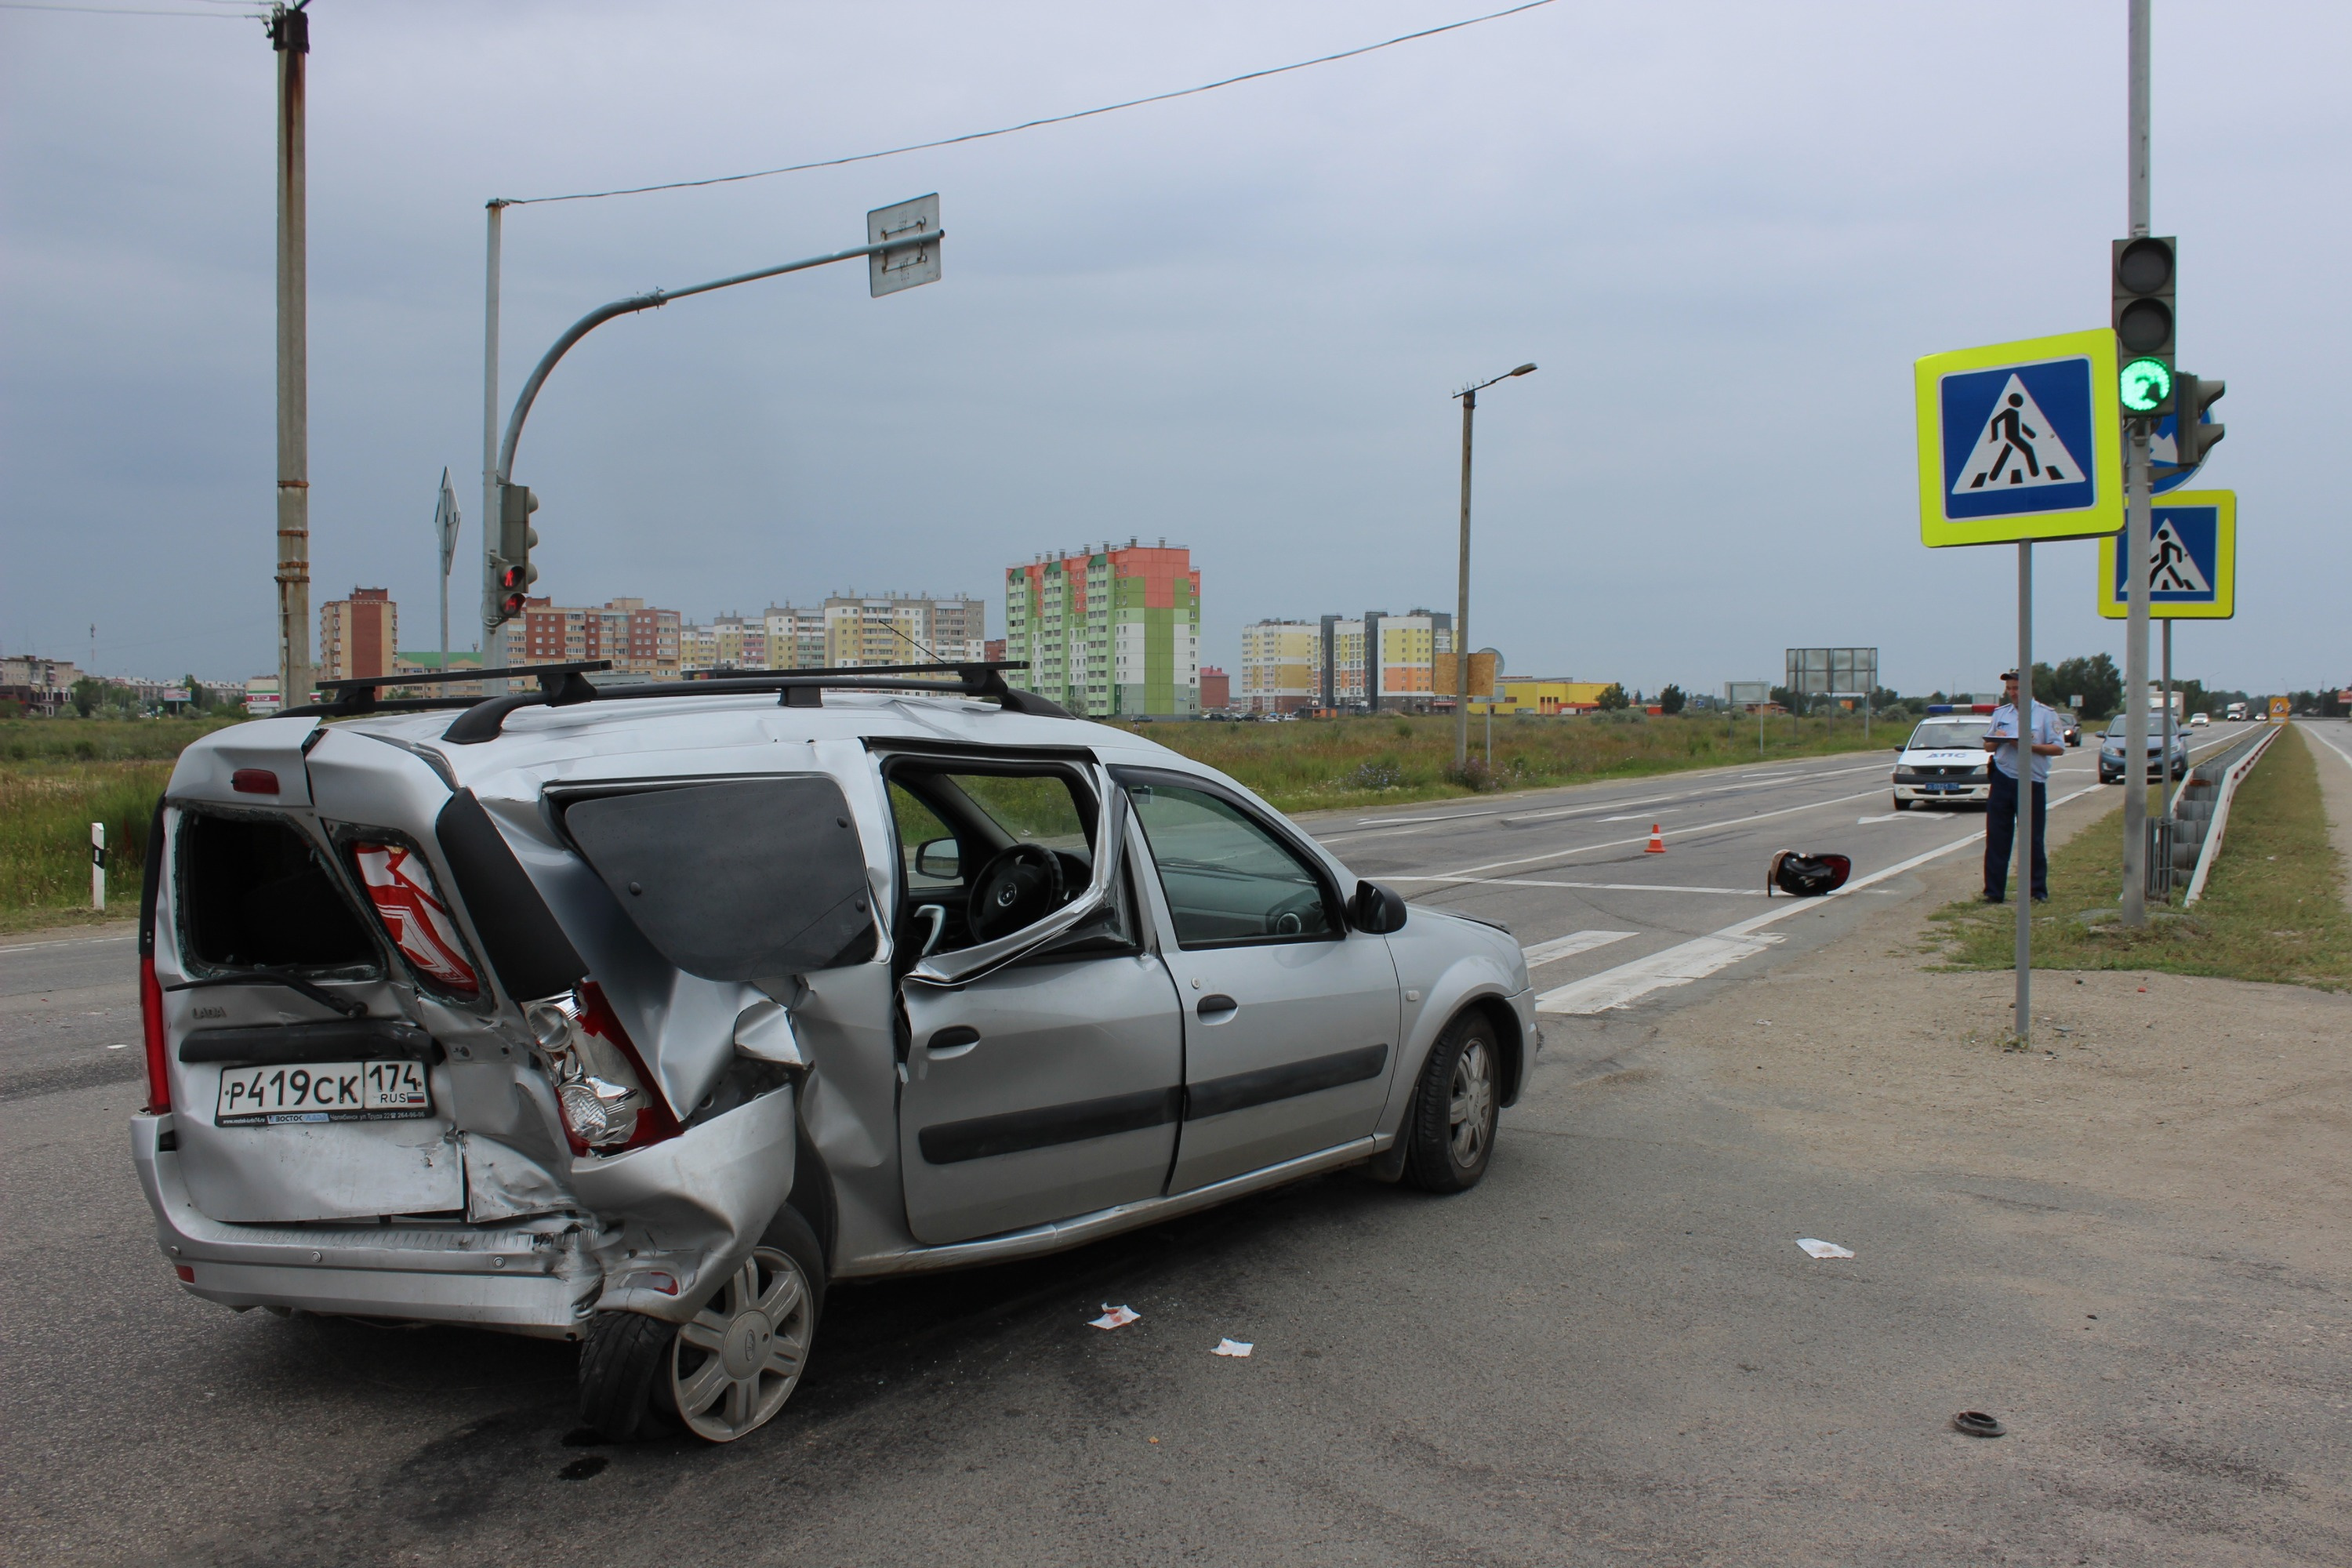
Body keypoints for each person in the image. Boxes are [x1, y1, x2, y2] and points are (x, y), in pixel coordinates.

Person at [1982, 669, 2066, 903]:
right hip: (2002, 779)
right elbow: (1988, 745)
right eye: (2009, 689)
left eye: (2017, 688)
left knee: (2033, 839)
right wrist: (1996, 741)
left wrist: (2028, 746)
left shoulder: (2045, 715)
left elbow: (2058, 747)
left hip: (2031, 782)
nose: (2013, 693)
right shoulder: (2002, 713)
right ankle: (1993, 891)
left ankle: (2037, 891)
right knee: (1997, 837)